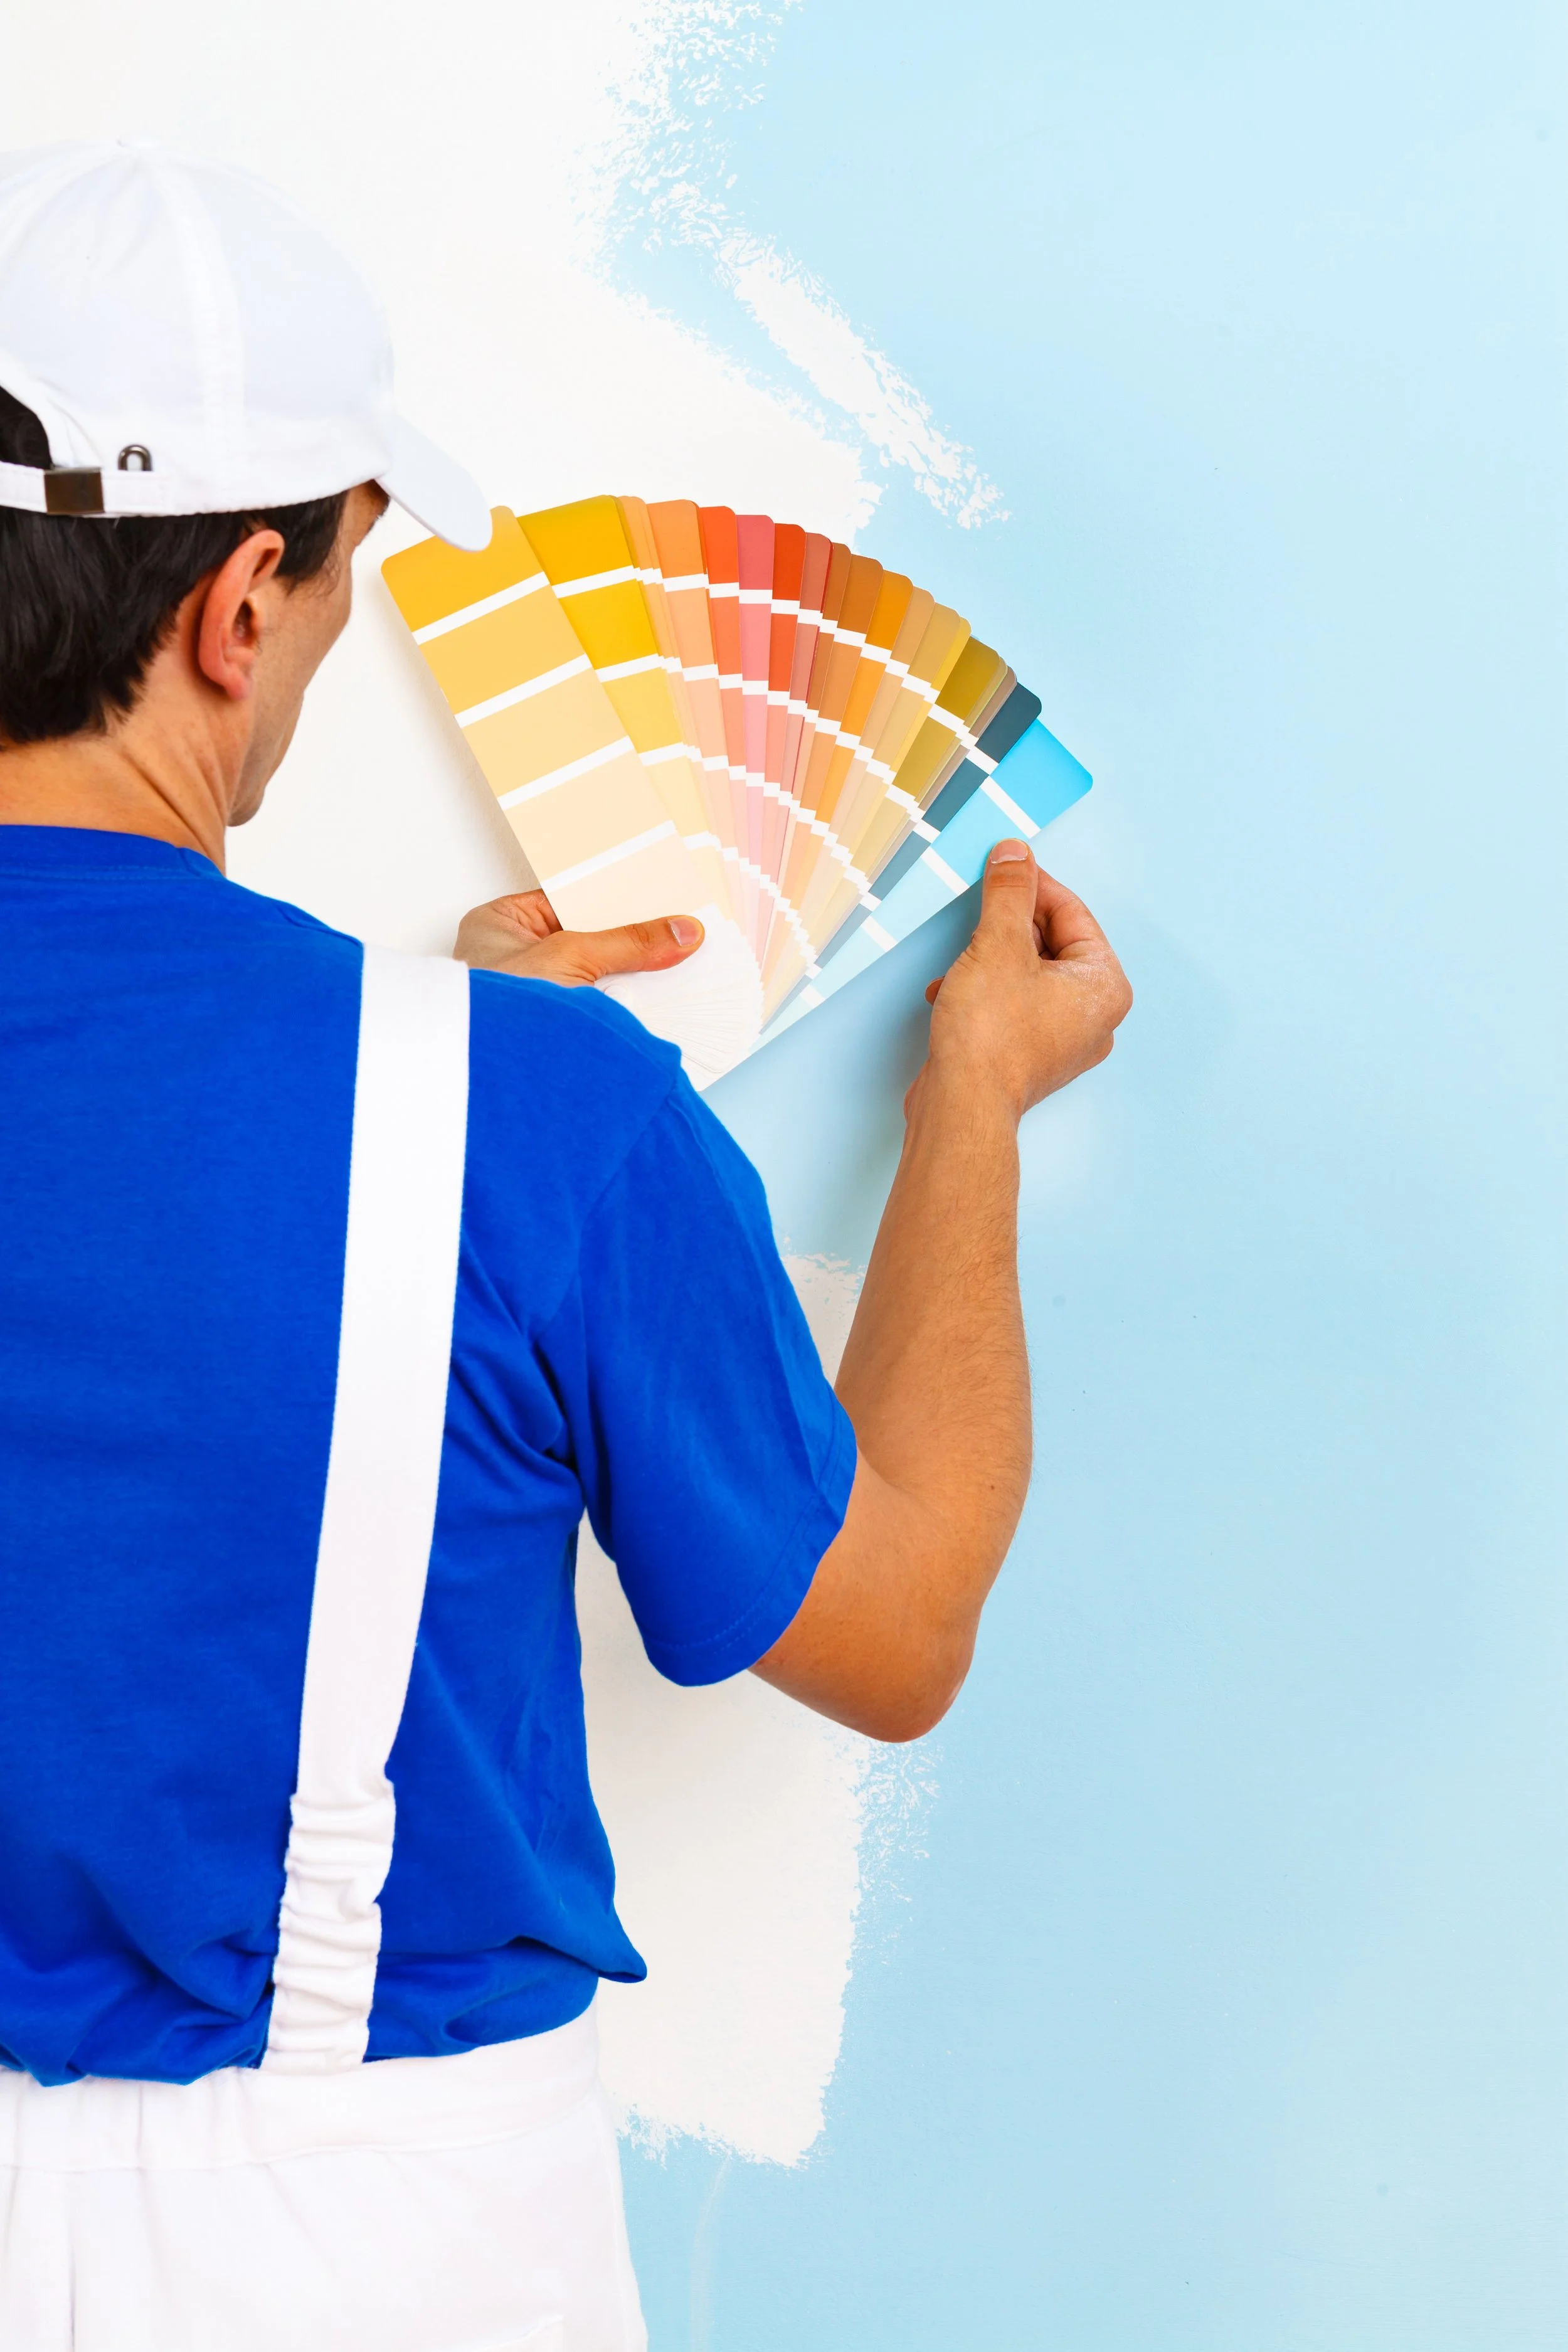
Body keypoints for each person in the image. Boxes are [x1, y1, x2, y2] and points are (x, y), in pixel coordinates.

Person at [0, 140, 1131, 2352]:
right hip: (373, 2252)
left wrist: (428, 1104)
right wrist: (965, 1101)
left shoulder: (488, 1110)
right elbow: (889, 1632)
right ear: (237, 606)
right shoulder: (526, 1122)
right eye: (334, 593)